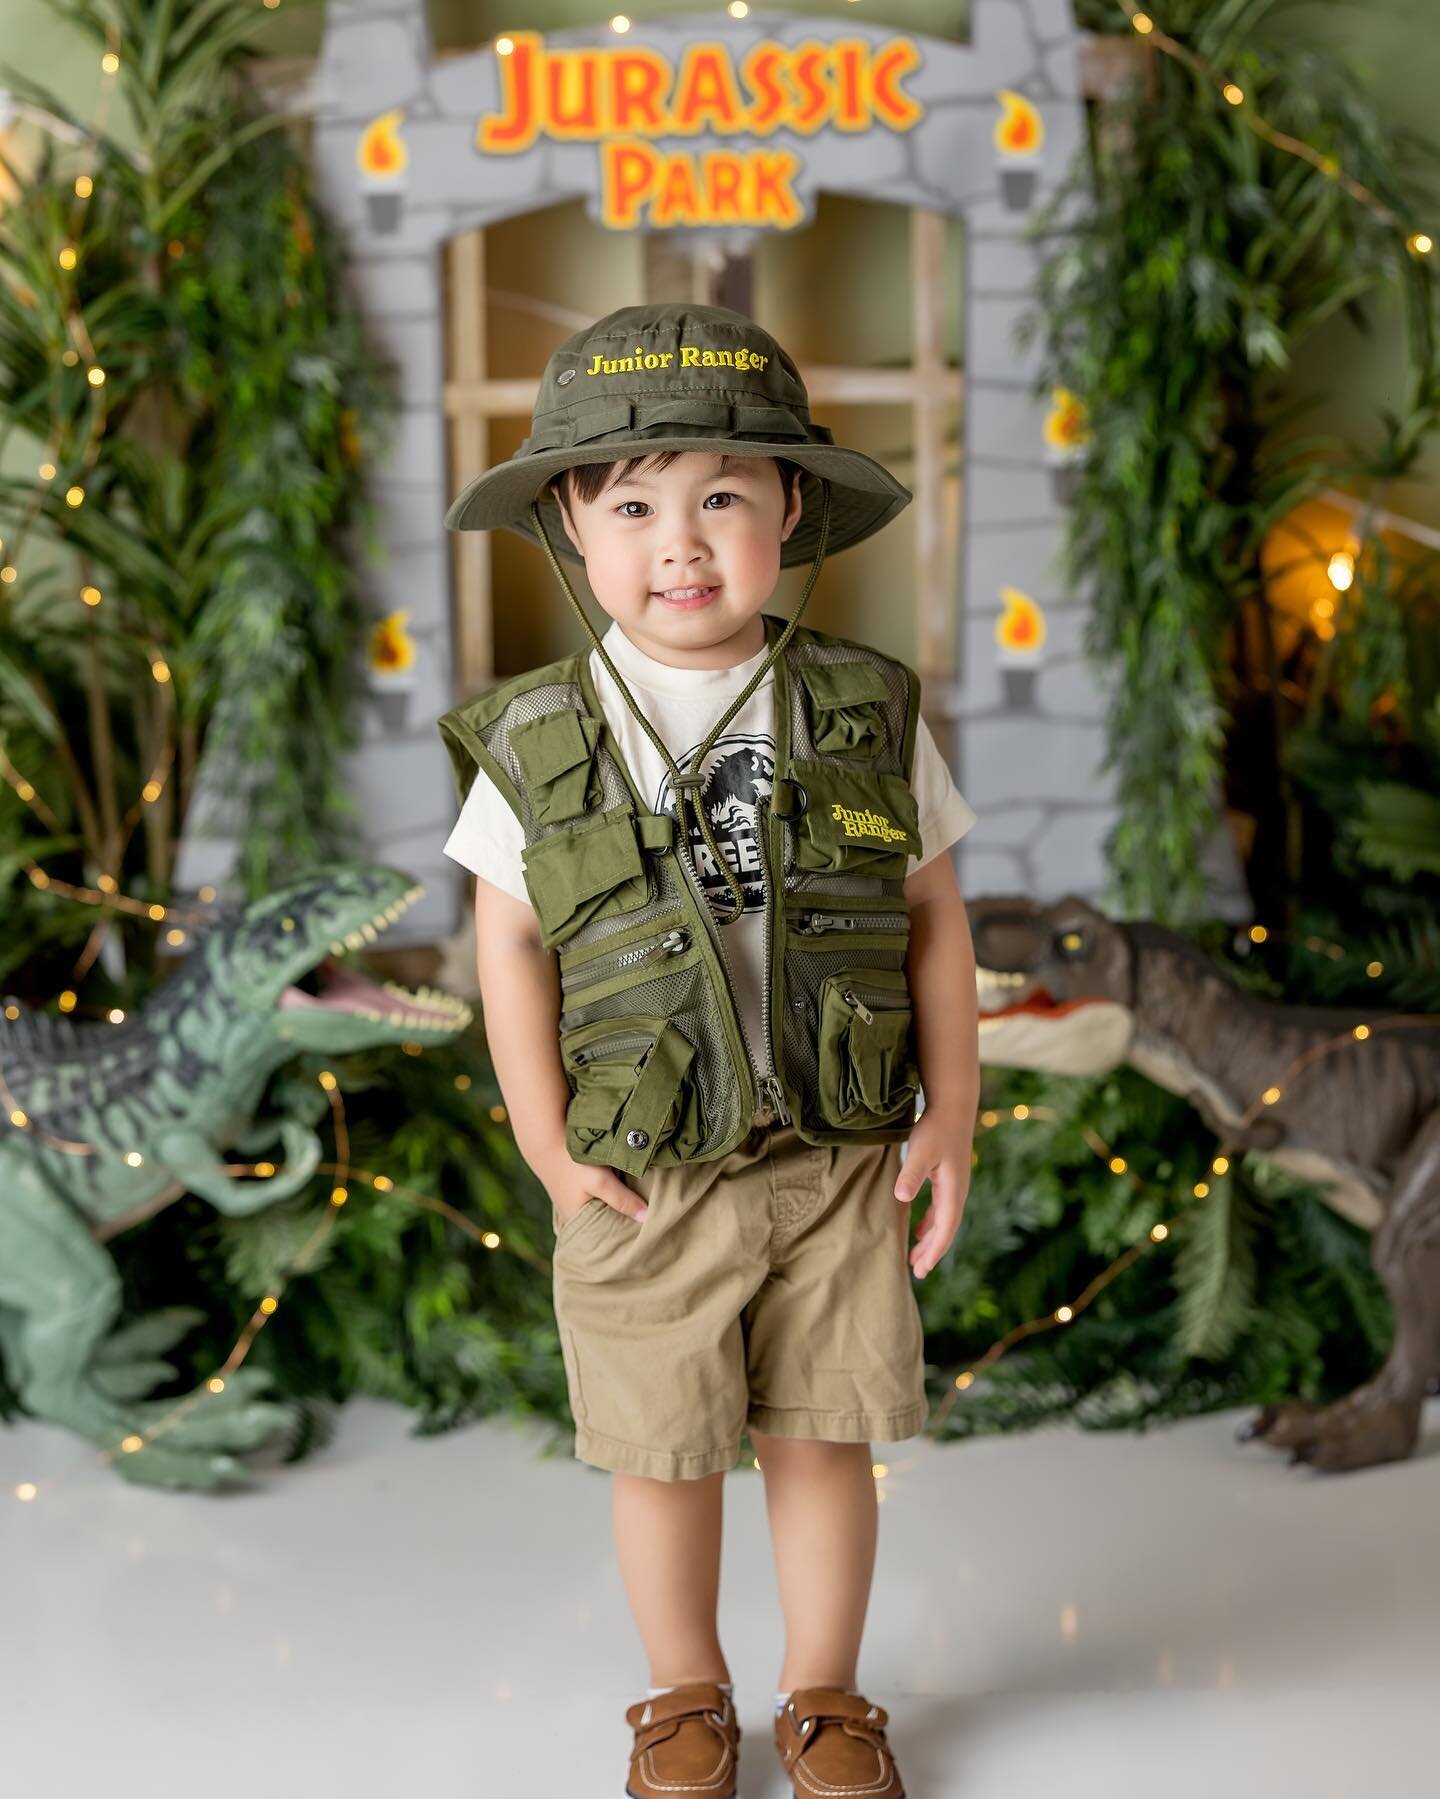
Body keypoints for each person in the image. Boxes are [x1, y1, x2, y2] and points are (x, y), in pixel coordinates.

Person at [437, 303, 980, 1799]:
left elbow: (934, 915)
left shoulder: (861, 709)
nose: (681, 544)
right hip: (641, 1163)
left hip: (837, 1154)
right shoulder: (545, 735)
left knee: (825, 1435)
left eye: (723, 499)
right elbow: (510, 947)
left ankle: (828, 1695)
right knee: (663, 1449)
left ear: (792, 511)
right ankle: (684, 1690)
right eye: (634, 506)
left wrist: (954, 1114)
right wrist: (549, 1147)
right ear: (570, 521)